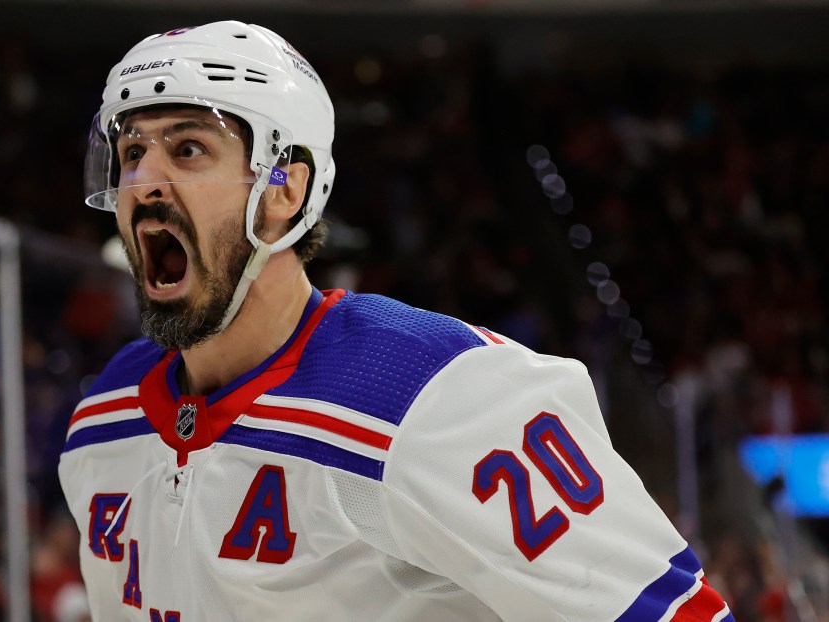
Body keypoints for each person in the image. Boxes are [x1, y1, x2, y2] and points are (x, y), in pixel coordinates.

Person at [58, 21, 734, 621]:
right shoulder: (103, 422)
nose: (143, 180)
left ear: (284, 189)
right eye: (133, 151)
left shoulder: (435, 393)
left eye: (188, 149)